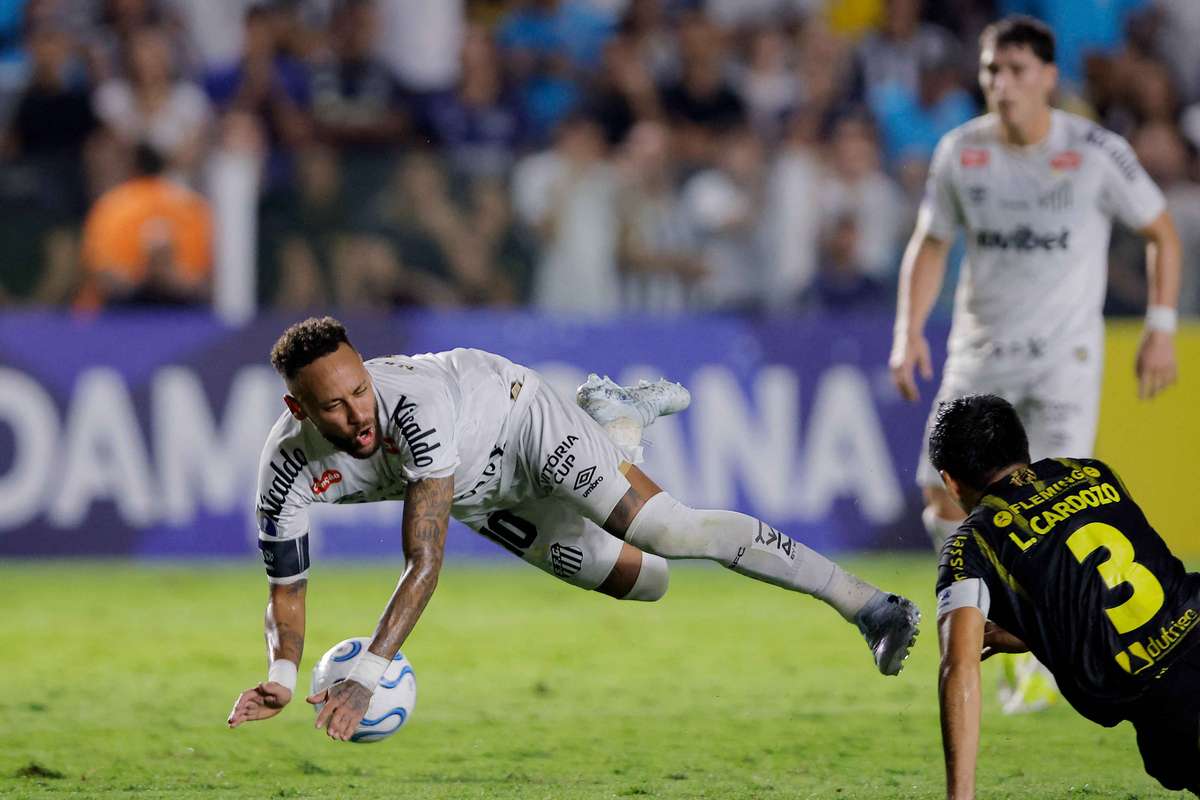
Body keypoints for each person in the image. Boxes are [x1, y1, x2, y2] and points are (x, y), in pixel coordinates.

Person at [228, 317, 921, 740]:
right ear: (299, 408)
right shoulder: (284, 471)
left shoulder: (414, 406)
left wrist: (367, 675)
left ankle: (869, 606)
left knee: (668, 532)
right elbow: (286, 588)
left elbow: (424, 562)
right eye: (335, 406)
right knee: (647, 580)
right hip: (479, 494)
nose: (359, 414)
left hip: (518, 421)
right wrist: (281, 675)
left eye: (361, 389)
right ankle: (619, 426)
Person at [889, 15, 1182, 713]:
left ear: (1049, 77)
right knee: (939, 496)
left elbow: (1161, 232)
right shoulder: (961, 151)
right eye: (992, 69)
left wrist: (1160, 327)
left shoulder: (1095, 151)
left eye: (1017, 70)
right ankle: (999, 624)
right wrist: (908, 331)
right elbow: (931, 242)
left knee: (1052, 509)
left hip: (1062, 360)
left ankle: (1040, 656)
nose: (1003, 83)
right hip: (980, 352)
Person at [931, 394, 1200, 798]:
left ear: (950, 480)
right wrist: (1034, 633)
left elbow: (959, 666)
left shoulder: (970, 545)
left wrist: (960, 795)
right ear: (1022, 447)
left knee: (1172, 755)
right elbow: (1124, 579)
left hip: (1173, 703)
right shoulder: (1093, 473)